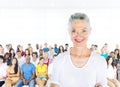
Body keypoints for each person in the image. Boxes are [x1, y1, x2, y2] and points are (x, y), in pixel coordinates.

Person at [50, 12, 108, 87]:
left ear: (90, 31)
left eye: (83, 31)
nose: (79, 35)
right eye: (74, 31)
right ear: (69, 32)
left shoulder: (99, 61)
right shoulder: (60, 60)